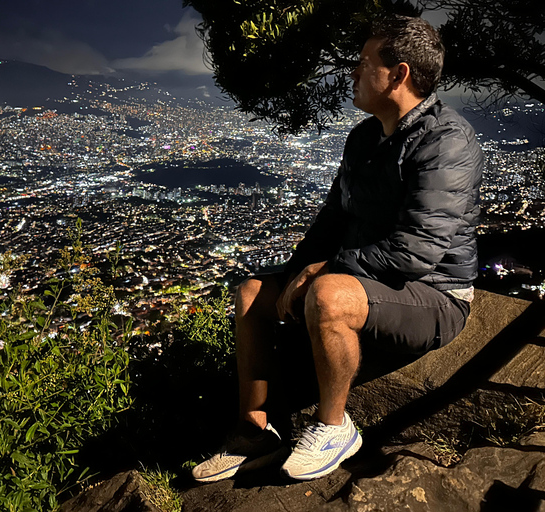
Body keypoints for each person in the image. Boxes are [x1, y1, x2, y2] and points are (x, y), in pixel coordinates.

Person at [193, 14, 483, 482]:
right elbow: (332, 219)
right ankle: (257, 430)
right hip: (367, 277)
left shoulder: (447, 142)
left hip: (433, 291)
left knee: (327, 295)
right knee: (251, 293)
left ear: (398, 74)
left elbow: (418, 252)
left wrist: (325, 272)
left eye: (364, 62)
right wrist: (294, 274)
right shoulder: (365, 138)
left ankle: (335, 426)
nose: (352, 71)